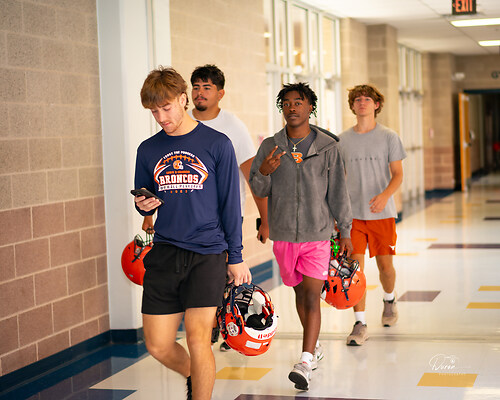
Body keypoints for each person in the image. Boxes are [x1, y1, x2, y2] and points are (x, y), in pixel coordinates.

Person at [134, 66, 252, 400]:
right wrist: (144, 206)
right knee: (157, 344)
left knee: (198, 339)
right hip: (165, 252)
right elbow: (143, 202)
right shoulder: (148, 149)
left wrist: (236, 257)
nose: (161, 117)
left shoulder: (217, 143)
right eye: (154, 111)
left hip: (208, 253)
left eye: (166, 107)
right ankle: (197, 375)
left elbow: (230, 204)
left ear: (183, 99)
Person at [142, 64, 269, 351]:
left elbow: (250, 175)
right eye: (197, 86)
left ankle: (219, 329)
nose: (200, 92)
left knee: (209, 308)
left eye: (207, 87)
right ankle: (209, 336)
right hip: (175, 237)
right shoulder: (156, 143)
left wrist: (264, 217)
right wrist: (146, 213)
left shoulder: (229, 130)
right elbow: (155, 190)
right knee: (189, 330)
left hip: (220, 223)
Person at [249, 82, 353, 391]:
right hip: (284, 236)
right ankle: (314, 345)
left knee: (311, 296)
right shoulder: (271, 146)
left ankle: (305, 360)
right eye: (286, 103)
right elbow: (258, 189)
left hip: (317, 234)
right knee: (298, 294)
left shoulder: (328, 147)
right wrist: (264, 171)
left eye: (298, 102)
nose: (292, 107)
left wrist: (345, 230)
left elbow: (339, 192)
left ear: (310, 108)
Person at [338, 84, 406, 346]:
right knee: (355, 271)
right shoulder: (342, 140)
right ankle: (360, 323)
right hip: (352, 216)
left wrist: (385, 195)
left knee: (385, 268)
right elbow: (339, 179)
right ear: (352, 105)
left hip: (382, 213)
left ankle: (389, 300)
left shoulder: (389, 136)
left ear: (376, 105)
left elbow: (398, 174)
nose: (362, 102)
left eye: (367, 99)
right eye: (357, 99)